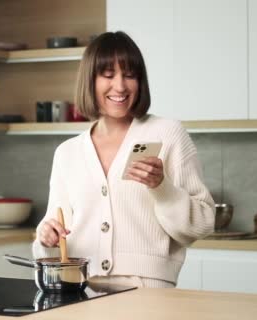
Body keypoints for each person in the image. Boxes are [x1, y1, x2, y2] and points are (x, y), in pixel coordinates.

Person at [32, 31, 215, 289]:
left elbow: (203, 223)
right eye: (108, 75)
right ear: (90, 81)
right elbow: (57, 231)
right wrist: (45, 238)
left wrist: (161, 187)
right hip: (81, 291)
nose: (120, 86)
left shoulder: (167, 133)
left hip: (149, 293)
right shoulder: (67, 152)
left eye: (129, 75)